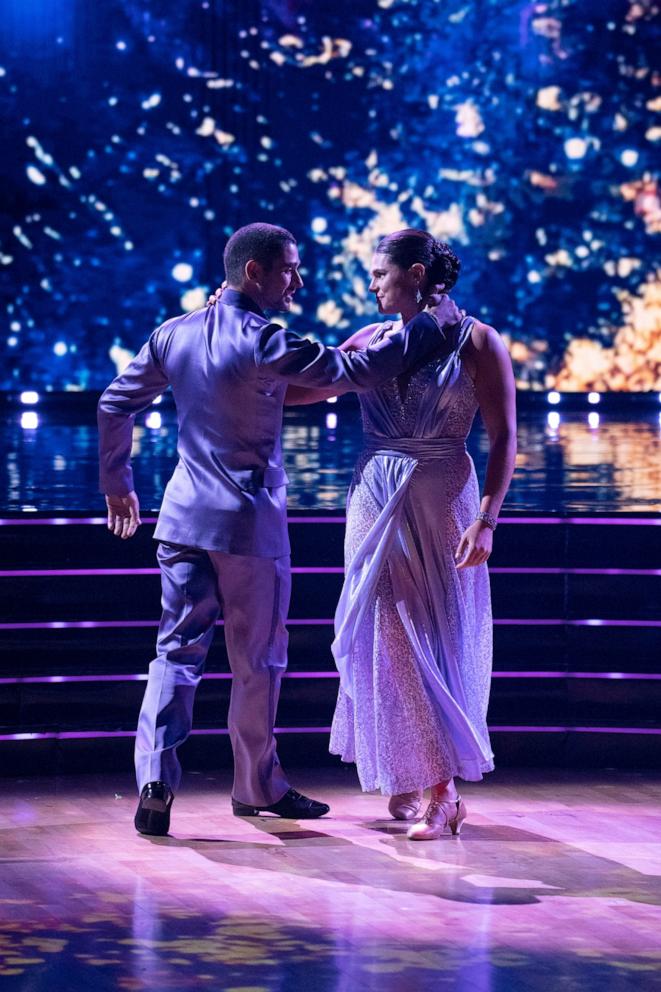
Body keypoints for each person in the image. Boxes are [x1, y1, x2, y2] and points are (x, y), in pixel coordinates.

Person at [97, 222, 462, 836]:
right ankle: (256, 785)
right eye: (290, 269)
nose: (298, 280)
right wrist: (430, 326)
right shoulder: (265, 340)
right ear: (254, 274)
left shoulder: (173, 333)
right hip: (246, 528)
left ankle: (155, 782)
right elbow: (356, 368)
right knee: (258, 661)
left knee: (174, 655)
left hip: (182, 520)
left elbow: (113, 403)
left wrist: (118, 482)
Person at [286, 229, 517, 840]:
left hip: (441, 492)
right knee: (386, 632)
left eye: (379, 274)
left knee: (431, 632)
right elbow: (303, 391)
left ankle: (443, 792)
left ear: (416, 273)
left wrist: (488, 519)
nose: (370, 285)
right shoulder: (370, 340)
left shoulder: (477, 342)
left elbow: (504, 437)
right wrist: (229, 349)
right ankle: (413, 769)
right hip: (374, 493)